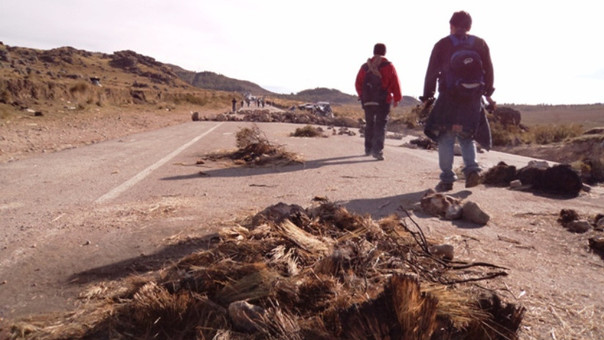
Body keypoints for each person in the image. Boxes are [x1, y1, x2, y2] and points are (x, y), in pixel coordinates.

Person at [420, 11, 496, 192]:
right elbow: (489, 69)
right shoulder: (480, 43)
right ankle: (472, 170)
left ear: (451, 25)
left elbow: (431, 72)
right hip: (472, 98)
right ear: (469, 26)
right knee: (467, 136)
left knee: (446, 137)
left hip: (449, 97)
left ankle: (447, 179)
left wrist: (428, 96)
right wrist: (487, 92)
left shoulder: (442, 44)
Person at [355, 43, 402, 160]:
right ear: (385, 52)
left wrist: (362, 95)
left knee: (369, 123)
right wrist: (397, 98)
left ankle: (368, 148)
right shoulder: (388, 66)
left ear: (373, 51)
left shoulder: (365, 67)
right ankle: (377, 151)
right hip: (383, 100)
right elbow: (395, 83)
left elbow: (358, 83)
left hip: (367, 101)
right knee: (380, 125)